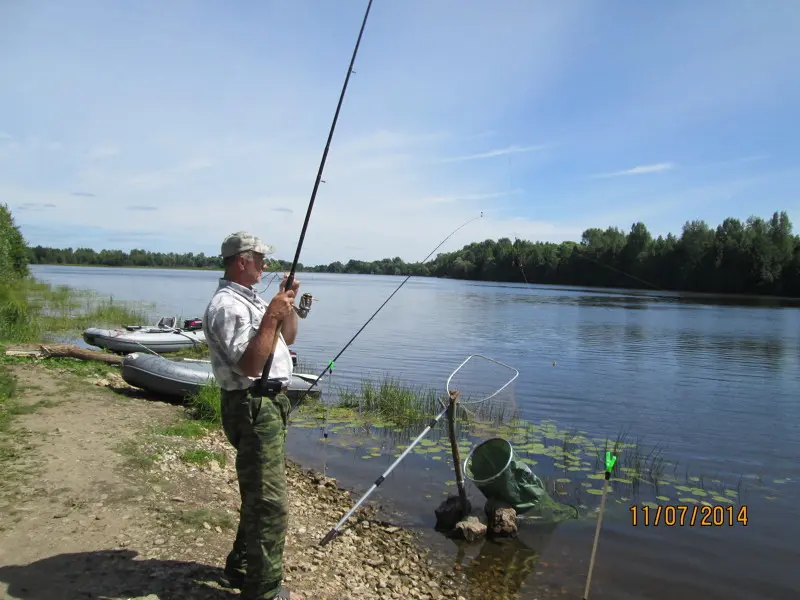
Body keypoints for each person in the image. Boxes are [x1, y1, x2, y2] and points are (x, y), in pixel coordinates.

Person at [202, 231, 304, 600]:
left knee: (259, 494)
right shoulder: (226, 306)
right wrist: (270, 318)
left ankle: (241, 566)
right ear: (241, 261)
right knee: (269, 505)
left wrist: (285, 304)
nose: (264, 264)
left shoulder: (256, 300)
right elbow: (248, 364)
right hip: (252, 405)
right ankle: (263, 591)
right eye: (259, 258)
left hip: (271, 404)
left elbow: (288, 339)